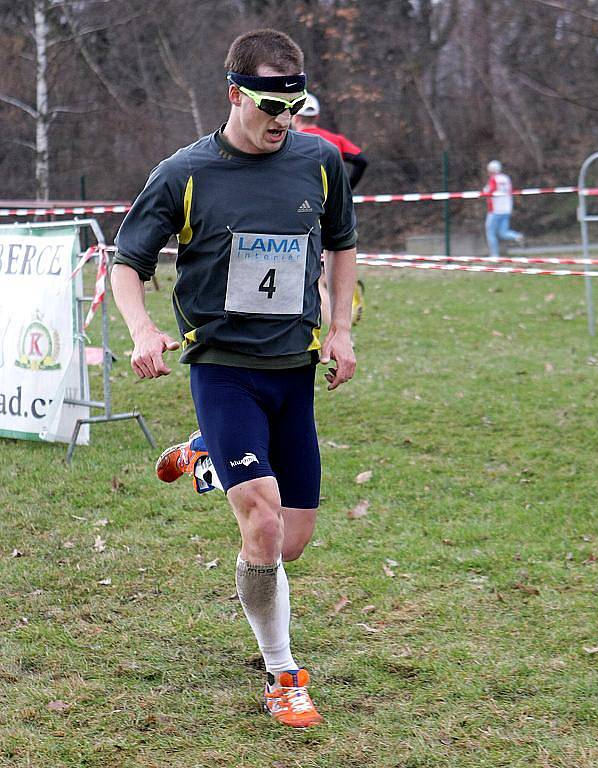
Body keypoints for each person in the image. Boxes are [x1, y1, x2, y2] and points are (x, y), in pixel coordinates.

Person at [110, 28, 358, 729]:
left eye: (294, 109)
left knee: (293, 542)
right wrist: (141, 332)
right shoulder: (185, 172)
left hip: (293, 370)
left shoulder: (318, 161)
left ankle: (210, 455)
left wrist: (340, 329)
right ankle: (283, 672)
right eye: (268, 108)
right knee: (264, 524)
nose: (283, 123)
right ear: (234, 95)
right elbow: (127, 262)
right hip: (221, 368)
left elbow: (341, 243)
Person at [292, 94, 367, 326]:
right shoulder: (334, 139)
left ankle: (336, 326)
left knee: (313, 276)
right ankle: (345, 314)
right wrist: (346, 190)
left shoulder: (292, 140)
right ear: (317, 116)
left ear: (295, 116)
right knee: (330, 266)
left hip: (302, 210)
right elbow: (362, 160)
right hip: (334, 209)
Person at [483, 159, 524, 257]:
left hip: (495, 210)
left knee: (490, 233)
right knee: (503, 233)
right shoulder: (506, 178)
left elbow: (490, 192)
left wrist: (485, 191)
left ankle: (494, 255)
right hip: (506, 208)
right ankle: (517, 236)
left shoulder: (493, 179)